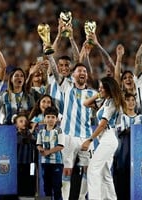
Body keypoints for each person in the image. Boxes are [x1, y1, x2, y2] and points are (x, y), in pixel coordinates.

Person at [48, 53, 97, 200]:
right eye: (79, 71)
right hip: (68, 136)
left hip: (86, 137)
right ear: (72, 74)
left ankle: (82, 198)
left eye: (85, 71)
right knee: (67, 171)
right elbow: (56, 74)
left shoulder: (93, 93)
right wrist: (50, 57)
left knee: (88, 170)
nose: (82, 73)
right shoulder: (66, 87)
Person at [82, 76, 123, 200]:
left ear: (108, 89)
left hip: (108, 139)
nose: (99, 89)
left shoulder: (112, 103)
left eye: (101, 88)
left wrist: (90, 140)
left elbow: (102, 124)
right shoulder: (106, 101)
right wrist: (99, 95)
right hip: (106, 140)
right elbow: (86, 103)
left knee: (93, 169)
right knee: (105, 174)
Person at [113, 92, 142, 200]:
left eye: (133, 100)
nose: (131, 102)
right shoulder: (121, 117)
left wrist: (131, 130)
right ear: (124, 102)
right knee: (123, 180)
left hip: (138, 154)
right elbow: (120, 131)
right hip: (123, 153)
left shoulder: (141, 118)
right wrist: (132, 130)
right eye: (128, 100)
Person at [36, 106, 65, 200]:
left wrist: (48, 152)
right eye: (48, 117)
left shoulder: (59, 130)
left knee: (57, 186)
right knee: (46, 186)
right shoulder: (41, 131)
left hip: (57, 163)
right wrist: (40, 149)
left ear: (56, 119)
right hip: (45, 163)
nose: (50, 119)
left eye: (53, 117)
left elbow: (61, 145)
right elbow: (38, 144)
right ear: (44, 118)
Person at [14, 113, 37, 197]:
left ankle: (30, 194)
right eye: (21, 121)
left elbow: (35, 141)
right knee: (20, 179)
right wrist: (32, 129)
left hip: (30, 162)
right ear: (16, 125)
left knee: (30, 177)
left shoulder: (31, 133)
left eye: (25, 121)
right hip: (19, 162)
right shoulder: (15, 135)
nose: (24, 123)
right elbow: (24, 140)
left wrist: (32, 130)